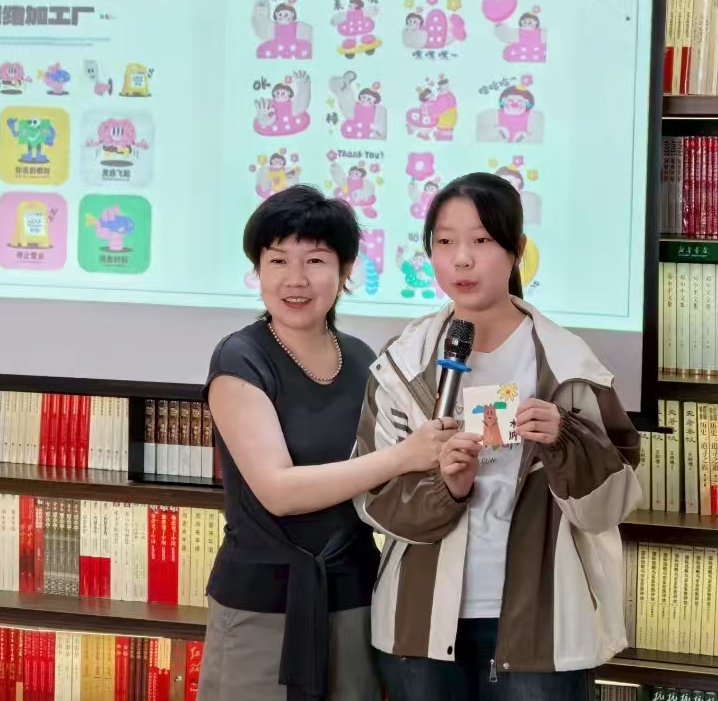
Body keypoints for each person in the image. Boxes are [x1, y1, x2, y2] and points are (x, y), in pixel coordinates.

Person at [353, 173, 642, 700]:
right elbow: (373, 499)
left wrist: (566, 441)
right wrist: (447, 488)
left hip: (543, 625)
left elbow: (610, 505)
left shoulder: (569, 365)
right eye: (445, 241)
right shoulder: (402, 364)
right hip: (419, 622)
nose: (461, 259)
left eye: (482, 240)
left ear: (517, 251)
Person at [199, 185, 454, 701]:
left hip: (356, 595)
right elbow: (279, 491)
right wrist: (403, 457)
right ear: (258, 270)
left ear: (345, 271)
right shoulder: (240, 359)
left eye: (315, 260)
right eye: (277, 261)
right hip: (261, 603)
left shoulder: (363, 358)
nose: (295, 279)